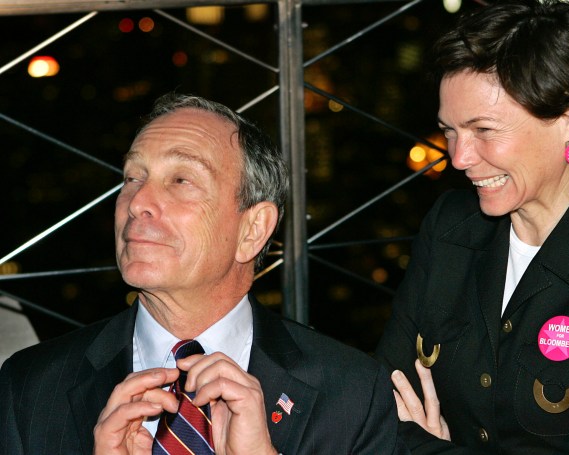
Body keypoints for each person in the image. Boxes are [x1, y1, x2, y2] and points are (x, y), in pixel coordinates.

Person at [0, 93, 404, 454]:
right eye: (132, 178)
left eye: (181, 180)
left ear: (253, 230)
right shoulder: (31, 386)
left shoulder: (353, 393)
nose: (138, 201)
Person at [375, 1, 569, 453]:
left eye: (483, 129)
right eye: (450, 131)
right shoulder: (450, 227)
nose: (459, 157)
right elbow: (381, 407)